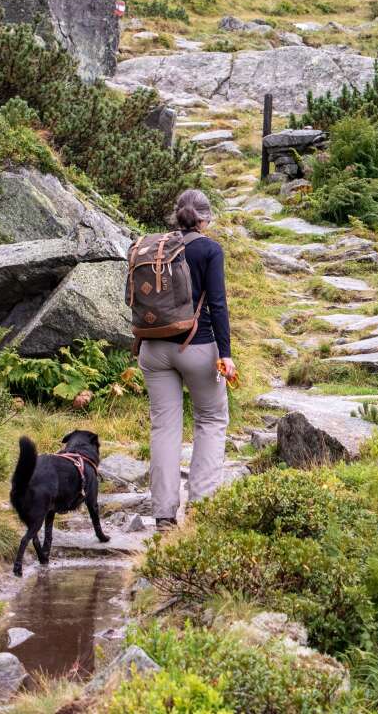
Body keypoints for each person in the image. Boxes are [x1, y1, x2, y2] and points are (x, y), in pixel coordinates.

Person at [138, 188, 234, 531]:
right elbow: (218, 305)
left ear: (177, 215)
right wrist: (225, 355)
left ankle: (163, 514)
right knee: (210, 418)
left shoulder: (155, 246)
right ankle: (202, 507)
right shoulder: (209, 249)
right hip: (198, 348)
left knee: (164, 426)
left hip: (152, 348)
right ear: (205, 219)